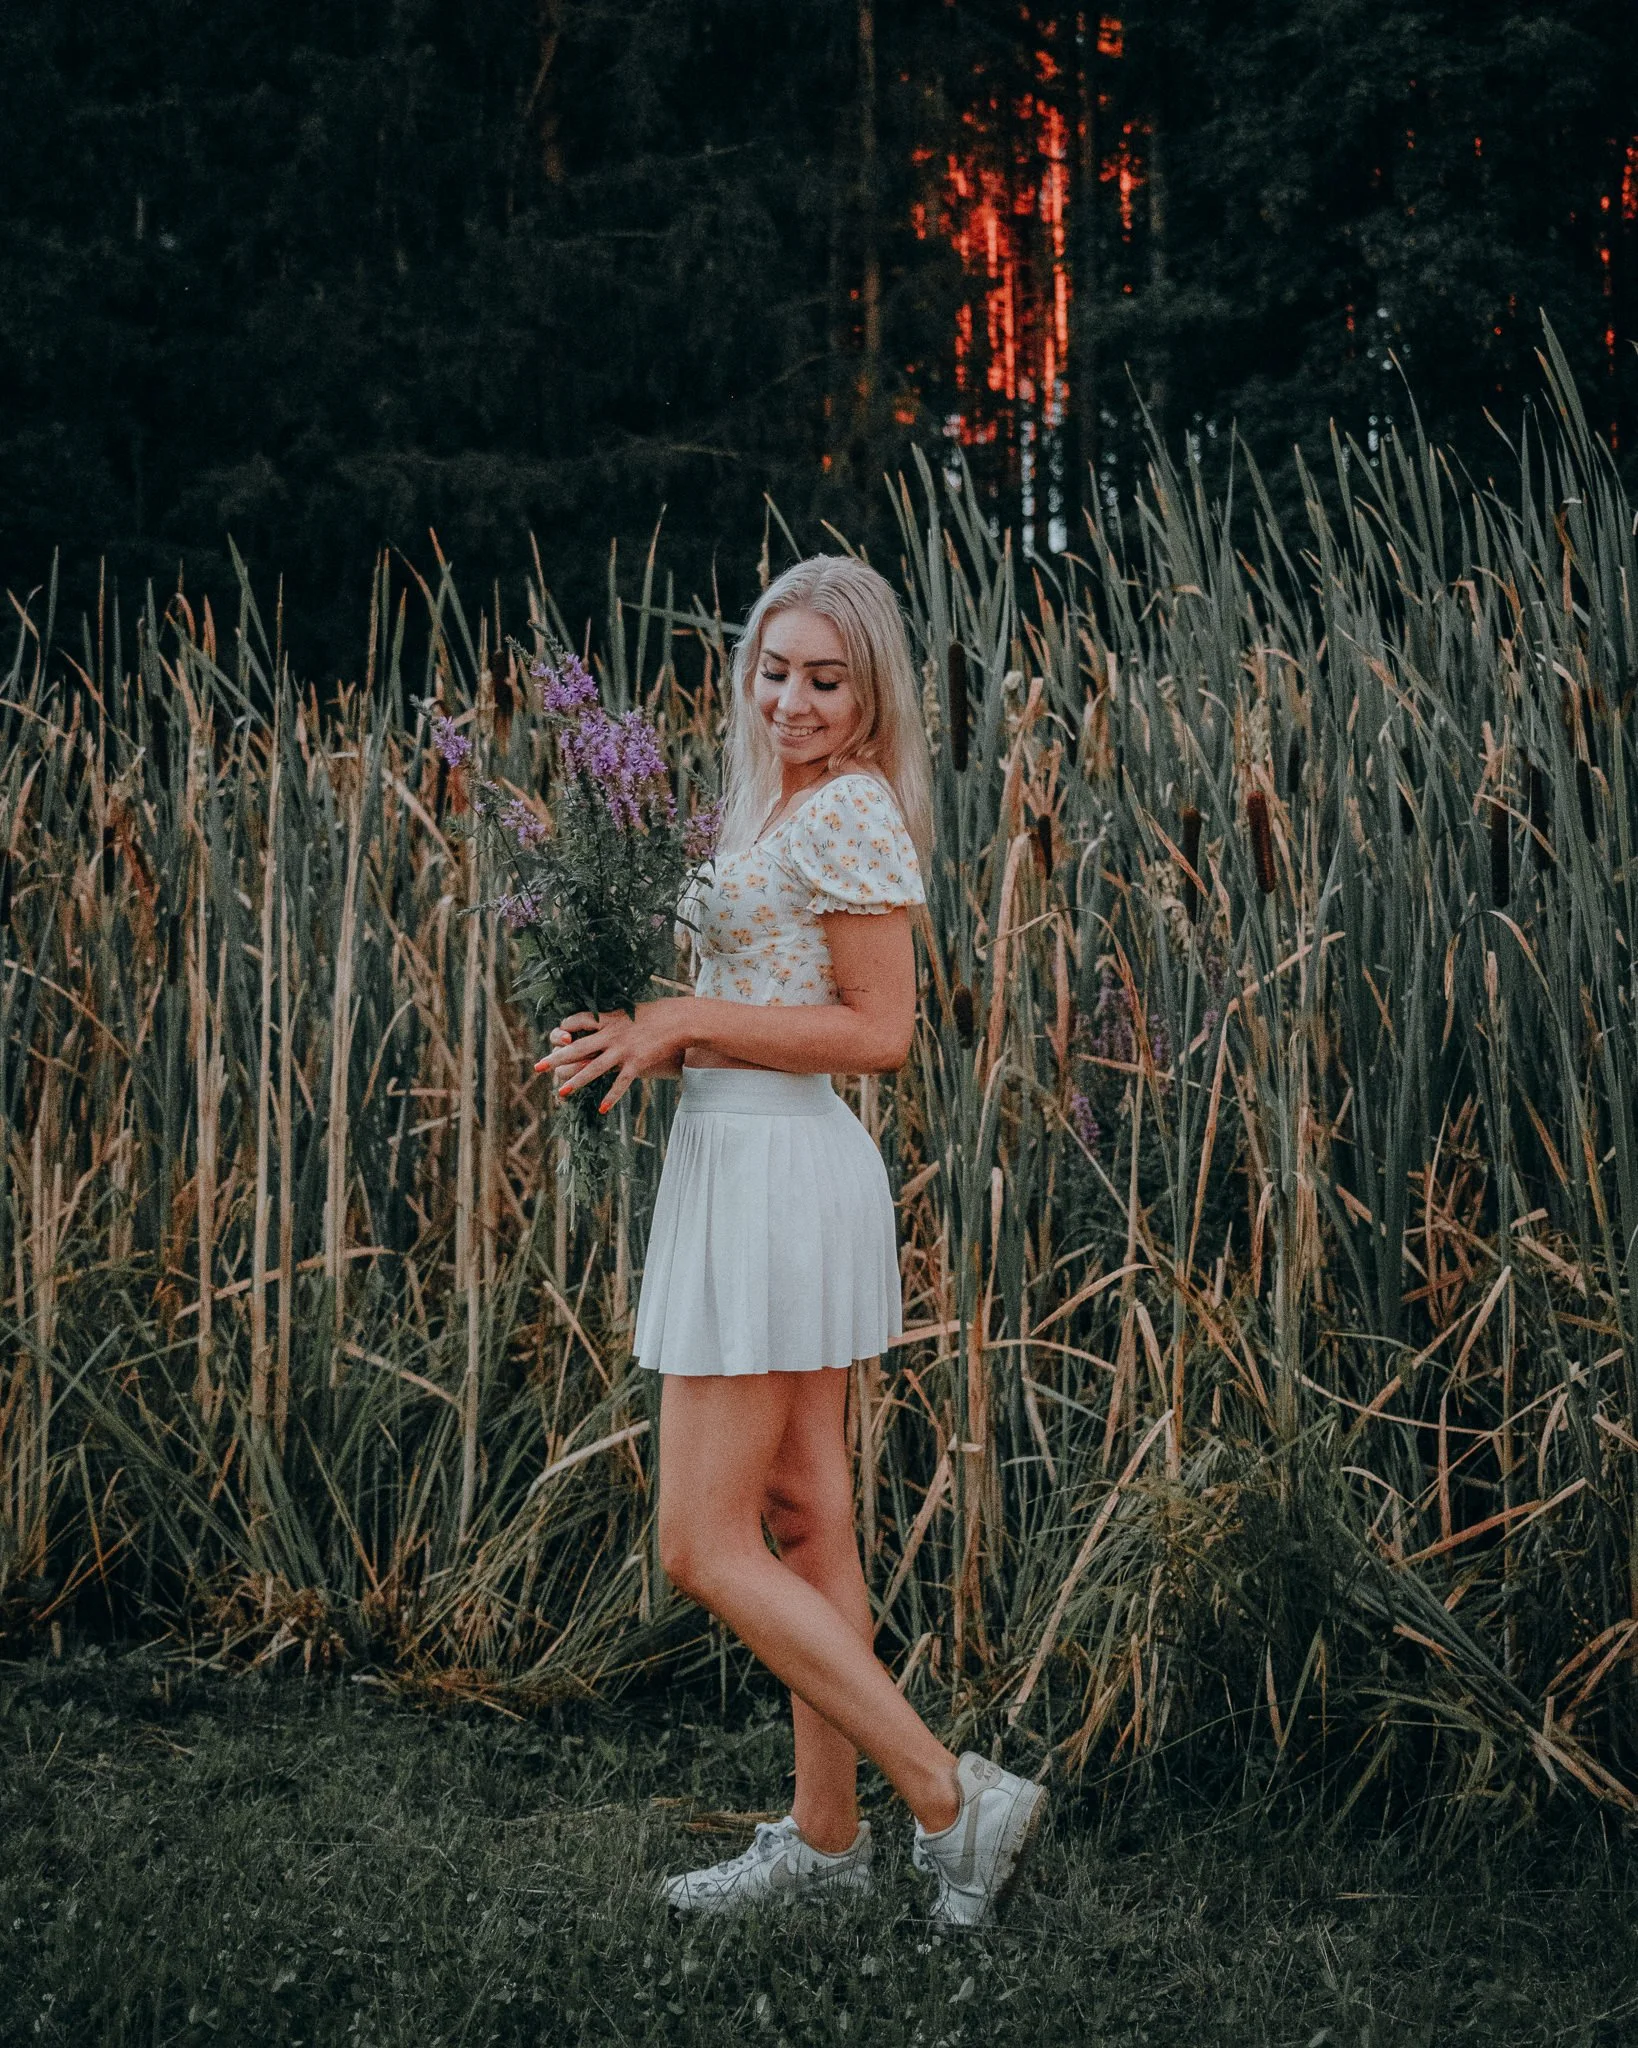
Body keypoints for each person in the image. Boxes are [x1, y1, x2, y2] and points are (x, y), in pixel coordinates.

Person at [536, 555, 1046, 1925]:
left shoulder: (854, 813)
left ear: (870, 691)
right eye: (774, 671)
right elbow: (750, 983)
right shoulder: (778, 805)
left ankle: (951, 1798)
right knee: (809, 1525)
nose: (792, 699)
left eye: (825, 679)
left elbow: (878, 1032)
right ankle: (826, 1851)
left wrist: (683, 1026)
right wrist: (634, 1025)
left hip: (777, 1171)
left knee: (703, 1544)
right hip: (744, 1157)